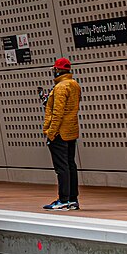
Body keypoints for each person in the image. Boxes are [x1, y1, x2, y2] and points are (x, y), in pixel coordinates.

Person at [43, 57, 81, 211]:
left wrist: (51, 133)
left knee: (61, 167)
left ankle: (63, 199)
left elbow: (58, 112)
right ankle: (73, 199)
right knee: (71, 165)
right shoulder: (74, 85)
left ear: (57, 70)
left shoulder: (60, 87)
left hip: (59, 132)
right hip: (71, 131)